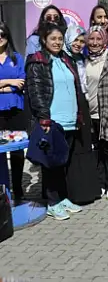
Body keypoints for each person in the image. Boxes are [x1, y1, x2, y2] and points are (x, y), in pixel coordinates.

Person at [26, 23, 94, 219]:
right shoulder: (37, 61)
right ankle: (52, 201)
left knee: (64, 162)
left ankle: (63, 197)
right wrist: (44, 119)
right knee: (51, 164)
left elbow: (76, 87)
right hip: (52, 121)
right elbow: (36, 92)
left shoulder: (65, 59)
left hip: (70, 119)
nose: (56, 42)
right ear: (44, 41)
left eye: (59, 39)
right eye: (52, 39)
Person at [85, 26, 108, 200]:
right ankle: (99, 183)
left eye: (98, 39)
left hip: (107, 113)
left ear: (104, 40)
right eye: (91, 39)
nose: (94, 43)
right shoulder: (83, 60)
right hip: (89, 114)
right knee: (95, 151)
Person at [0, 22, 26, 201]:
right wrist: (10, 82)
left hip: (16, 109)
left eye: (2, 34)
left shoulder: (16, 58)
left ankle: (18, 189)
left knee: (17, 151)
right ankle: (3, 190)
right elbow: (15, 83)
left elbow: (22, 83)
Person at [63, 25, 88, 94]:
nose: (78, 44)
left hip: (82, 99)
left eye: (82, 41)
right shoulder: (61, 58)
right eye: (75, 40)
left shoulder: (83, 59)